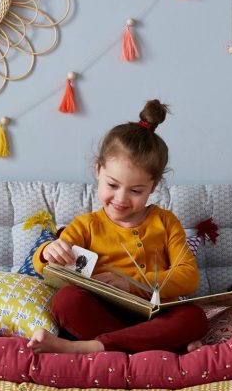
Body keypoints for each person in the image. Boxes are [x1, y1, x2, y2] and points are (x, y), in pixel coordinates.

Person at [28, 99, 208, 355]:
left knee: (194, 317)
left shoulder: (165, 222)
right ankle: (162, 346)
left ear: (153, 187)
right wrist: (47, 251)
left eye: (136, 191)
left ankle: (93, 347)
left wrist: (131, 284)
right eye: (112, 185)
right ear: (98, 170)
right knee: (65, 302)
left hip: (155, 317)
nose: (121, 199)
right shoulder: (86, 226)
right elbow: (49, 268)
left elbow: (188, 277)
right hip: (102, 315)